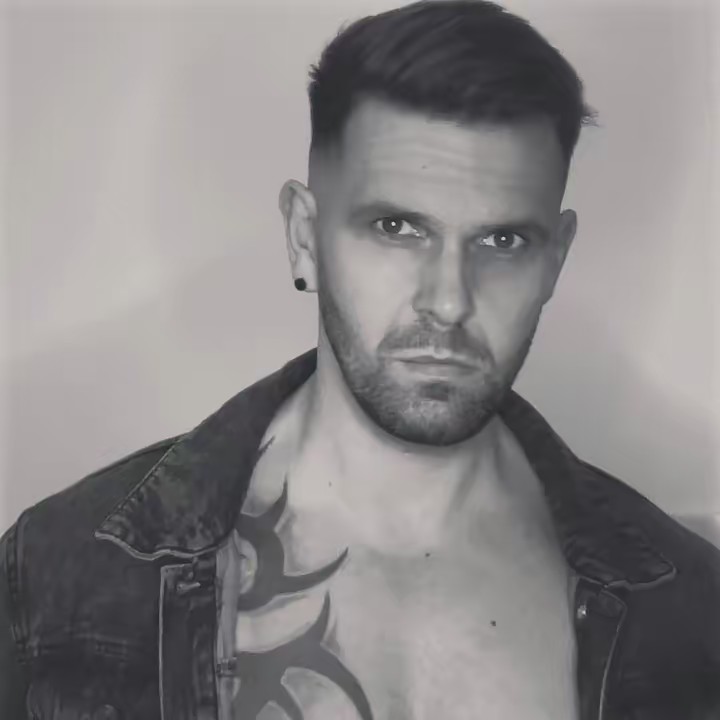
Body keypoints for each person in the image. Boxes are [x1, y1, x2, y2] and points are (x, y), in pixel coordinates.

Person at [2, 1, 719, 718]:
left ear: (554, 260)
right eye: (397, 227)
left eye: (503, 242)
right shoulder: (60, 577)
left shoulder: (691, 614)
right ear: (305, 237)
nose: (449, 301)